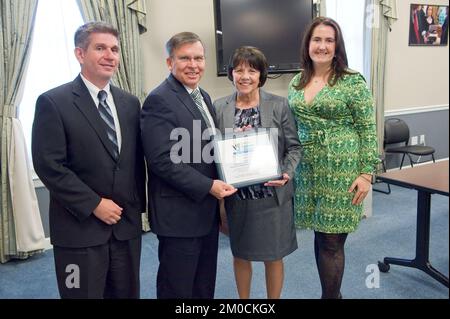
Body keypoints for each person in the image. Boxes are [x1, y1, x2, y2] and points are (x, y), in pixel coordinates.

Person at [32, 22, 146, 298]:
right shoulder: (53, 102)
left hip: (125, 229)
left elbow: (133, 163)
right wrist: (94, 204)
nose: (110, 55)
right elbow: (49, 165)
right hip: (79, 230)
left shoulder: (130, 103)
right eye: (100, 48)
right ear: (80, 54)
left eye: (115, 49)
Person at [288, 17, 379, 299]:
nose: (323, 46)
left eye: (329, 40)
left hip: (342, 170)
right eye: (317, 39)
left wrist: (366, 174)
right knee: (320, 234)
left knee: (332, 240)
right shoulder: (296, 80)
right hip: (309, 170)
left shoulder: (352, 82)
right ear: (308, 44)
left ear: (337, 45)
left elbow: (368, 128)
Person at [140, 32, 236, 299]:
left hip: (204, 211)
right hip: (178, 214)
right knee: (178, 287)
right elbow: (162, 160)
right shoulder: (159, 99)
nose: (193, 65)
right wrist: (209, 186)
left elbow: (208, 147)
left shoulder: (201, 95)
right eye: (185, 58)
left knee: (203, 284)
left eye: (199, 58)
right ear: (170, 62)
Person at [213, 46, 301, 299]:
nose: (245, 76)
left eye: (252, 70)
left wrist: (286, 173)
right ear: (231, 74)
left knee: (274, 257)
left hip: (272, 198)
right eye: (239, 70)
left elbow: (294, 147)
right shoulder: (219, 108)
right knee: (241, 255)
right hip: (237, 199)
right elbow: (213, 153)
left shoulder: (279, 105)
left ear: (261, 75)